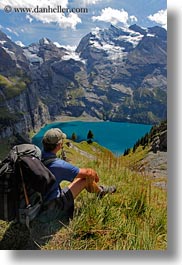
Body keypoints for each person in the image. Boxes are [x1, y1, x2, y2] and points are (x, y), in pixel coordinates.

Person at [40, 128, 116, 222]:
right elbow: (88, 173)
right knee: (84, 180)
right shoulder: (59, 165)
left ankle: (100, 191)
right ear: (59, 145)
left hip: (38, 204)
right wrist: (95, 176)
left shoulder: (36, 158)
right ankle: (101, 191)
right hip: (52, 208)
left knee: (81, 179)